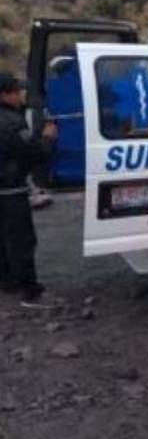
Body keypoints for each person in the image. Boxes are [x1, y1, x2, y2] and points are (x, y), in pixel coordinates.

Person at [0, 73, 57, 304]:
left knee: (3, 239)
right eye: (16, 91)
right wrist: (47, 138)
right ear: (5, 94)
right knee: (21, 241)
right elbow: (34, 153)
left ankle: (8, 282)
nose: (21, 95)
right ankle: (30, 292)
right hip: (10, 192)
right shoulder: (10, 122)